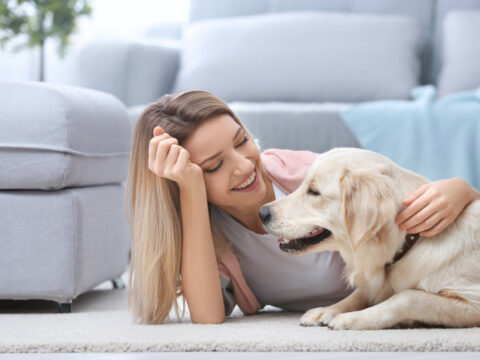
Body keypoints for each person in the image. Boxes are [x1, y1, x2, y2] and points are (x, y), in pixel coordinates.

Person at [125, 90, 480, 325]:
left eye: (241, 141)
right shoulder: (210, 237)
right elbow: (207, 318)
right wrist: (189, 192)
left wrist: (461, 189)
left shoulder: (303, 173)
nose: (245, 166)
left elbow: (392, 194)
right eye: (213, 166)